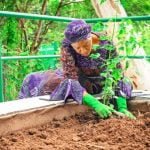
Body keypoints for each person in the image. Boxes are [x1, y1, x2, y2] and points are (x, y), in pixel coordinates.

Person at [19, 20, 135, 119]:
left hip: (102, 80)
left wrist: (122, 108)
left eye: (85, 45)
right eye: (78, 48)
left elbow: (117, 73)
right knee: (45, 81)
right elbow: (70, 77)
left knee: (125, 81)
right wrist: (95, 104)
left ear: (90, 36)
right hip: (81, 79)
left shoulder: (105, 42)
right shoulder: (67, 46)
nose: (83, 51)